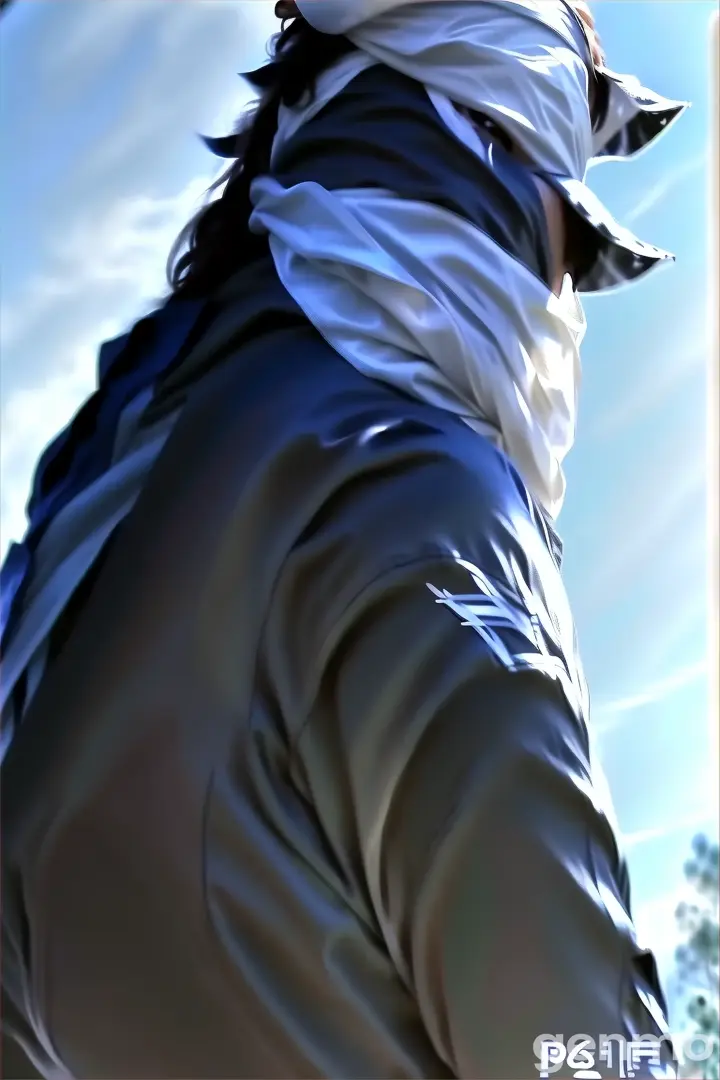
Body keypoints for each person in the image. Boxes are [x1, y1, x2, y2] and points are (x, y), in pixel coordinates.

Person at [1, 2, 688, 1077]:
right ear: (489, 152)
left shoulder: (92, 515)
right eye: (567, 235)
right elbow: (575, 1039)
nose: (563, 303)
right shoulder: (413, 496)